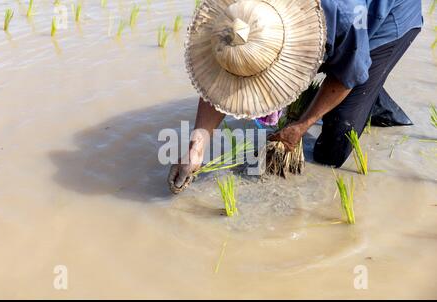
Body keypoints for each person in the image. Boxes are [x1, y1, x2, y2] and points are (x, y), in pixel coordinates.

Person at [168, 0, 423, 193]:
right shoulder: (236, 17)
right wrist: (196, 147)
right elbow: (220, 85)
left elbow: (345, 77)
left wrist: (301, 126)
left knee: (332, 152)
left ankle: (370, 92)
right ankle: (366, 87)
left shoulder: (343, 15)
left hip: (389, 16)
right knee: (350, 66)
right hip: (338, 32)